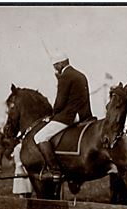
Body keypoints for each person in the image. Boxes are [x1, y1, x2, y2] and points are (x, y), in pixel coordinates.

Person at [34, 52, 93, 180]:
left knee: (39, 137)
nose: (55, 68)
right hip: (84, 114)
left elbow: (60, 102)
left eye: (56, 65)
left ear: (61, 64)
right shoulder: (80, 74)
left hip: (70, 116)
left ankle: (55, 171)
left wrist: (53, 114)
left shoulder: (65, 76)